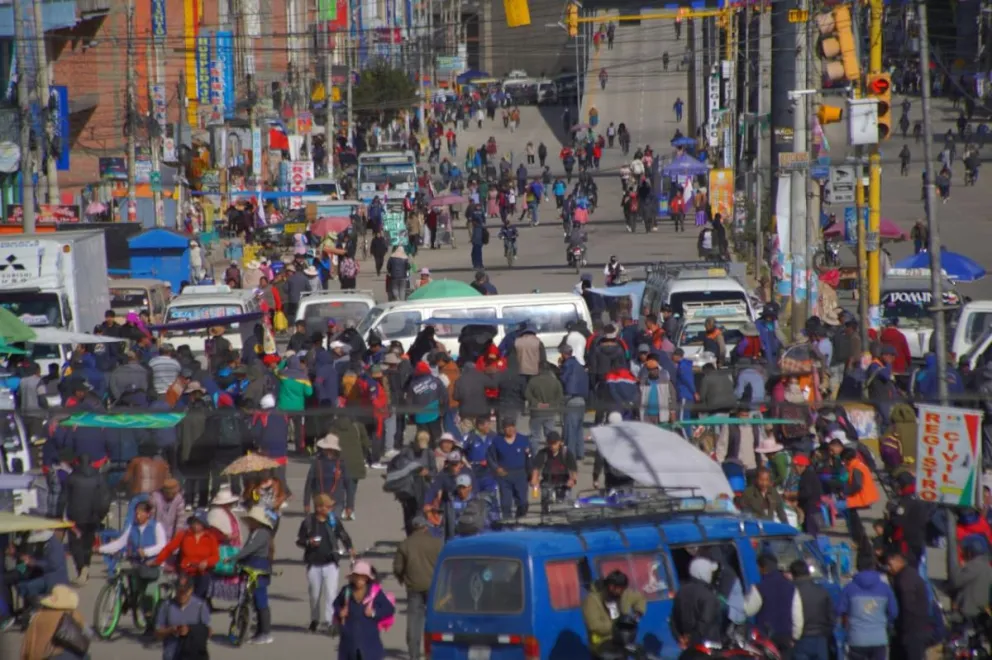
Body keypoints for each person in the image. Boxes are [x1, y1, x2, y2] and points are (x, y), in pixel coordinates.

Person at [97, 500, 167, 632]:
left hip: (153, 566)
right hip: (137, 565)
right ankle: (131, 602)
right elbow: (120, 543)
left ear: (148, 514)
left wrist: (147, 552)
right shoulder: (132, 527)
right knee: (134, 587)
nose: (137, 516)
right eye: (136, 513)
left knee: (148, 595)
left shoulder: (156, 526)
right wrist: (101, 549)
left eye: (141, 513)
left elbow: (162, 545)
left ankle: (151, 626)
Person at [298, 493, 355, 633]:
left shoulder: (333, 521)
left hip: (331, 563)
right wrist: (308, 542)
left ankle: (331, 622)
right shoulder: (308, 522)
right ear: (318, 508)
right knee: (314, 595)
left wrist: (350, 547)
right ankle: (315, 619)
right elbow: (299, 541)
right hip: (313, 563)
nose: (330, 508)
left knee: (331, 594)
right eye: (327, 506)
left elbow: (343, 535)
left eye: (331, 506)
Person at [393, 515, 443, 660]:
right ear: (426, 527)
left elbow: (397, 567)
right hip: (433, 587)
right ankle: (433, 652)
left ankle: (414, 655)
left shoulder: (405, 544)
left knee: (414, 621)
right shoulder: (437, 543)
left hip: (413, 587)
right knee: (434, 619)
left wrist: (401, 578)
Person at [59, 454, 111, 585]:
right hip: (92, 517)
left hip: (75, 517)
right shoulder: (98, 478)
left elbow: (63, 498)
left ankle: (81, 569)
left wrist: (59, 515)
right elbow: (106, 498)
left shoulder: (71, 478)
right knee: (87, 544)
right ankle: (86, 567)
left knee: (75, 544)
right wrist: (101, 515)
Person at [836, 553, 898, 660]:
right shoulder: (885, 589)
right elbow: (893, 612)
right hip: (879, 638)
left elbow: (840, 611)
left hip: (856, 638)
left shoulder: (849, 588)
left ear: (857, 567)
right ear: (874, 566)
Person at [333, 561, 396, 660]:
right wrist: (340, 612)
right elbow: (336, 605)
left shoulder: (375, 593)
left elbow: (389, 609)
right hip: (349, 643)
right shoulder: (346, 591)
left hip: (369, 643)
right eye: (356, 576)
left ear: (367, 578)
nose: (359, 579)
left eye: (362, 576)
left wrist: (374, 613)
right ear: (352, 577)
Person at [231, 506, 275, 644]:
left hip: (258, 568)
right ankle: (258, 631)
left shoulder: (262, 533)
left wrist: (235, 557)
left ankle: (265, 632)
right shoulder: (255, 532)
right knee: (254, 600)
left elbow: (250, 549)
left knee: (261, 600)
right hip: (250, 566)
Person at [152, 510, 220, 600]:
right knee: (184, 594)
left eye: (198, 523)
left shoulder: (211, 538)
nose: (195, 525)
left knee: (199, 595)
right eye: (193, 522)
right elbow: (169, 549)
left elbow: (215, 557)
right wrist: (157, 561)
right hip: (186, 571)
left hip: (203, 572)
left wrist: (206, 562)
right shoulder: (183, 535)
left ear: (203, 524)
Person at [582, 570, 647, 655]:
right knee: (616, 654)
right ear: (611, 587)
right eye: (620, 589)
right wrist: (616, 627)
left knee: (640, 652)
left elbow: (640, 598)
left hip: (622, 638)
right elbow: (594, 625)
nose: (622, 592)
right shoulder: (592, 600)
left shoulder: (623, 593)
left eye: (624, 589)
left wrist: (637, 614)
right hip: (602, 641)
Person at [19, 584, 87, 660]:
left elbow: (27, 644)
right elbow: (86, 635)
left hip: (43, 656)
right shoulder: (75, 614)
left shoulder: (39, 616)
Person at [886, 549, 931, 660]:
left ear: (899, 562)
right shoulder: (908, 575)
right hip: (916, 628)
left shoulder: (905, 580)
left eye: (890, 564)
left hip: (911, 630)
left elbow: (908, 606)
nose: (888, 567)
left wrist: (903, 629)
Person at [155, 573, 211, 660]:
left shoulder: (200, 605)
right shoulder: (166, 605)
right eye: (179, 591)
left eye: (185, 591)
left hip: (193, 654)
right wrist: (171, 630)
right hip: (172, 654)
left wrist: (190, 630)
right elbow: (157, 632)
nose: (182, 595)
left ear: (191, 590)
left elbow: (209, 631)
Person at [670, 557, 723, 648]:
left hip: (688, 647)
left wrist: (680, 638)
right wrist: (692, 638)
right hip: (708, 646)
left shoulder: (681, 592)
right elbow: (706, 621)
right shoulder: (708, 596)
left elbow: (673, 620)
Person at [790, 560, 835, 660]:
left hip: (800, 639)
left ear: (793, 574)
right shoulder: (822, 591)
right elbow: (831, 618)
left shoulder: (791, 593)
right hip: (820, 639)